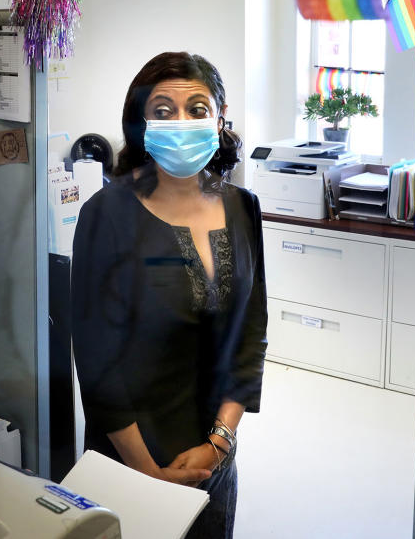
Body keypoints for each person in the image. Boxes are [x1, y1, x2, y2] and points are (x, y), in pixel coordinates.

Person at [72, 52, 268, 538]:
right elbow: (98, 364)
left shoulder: (243, 208)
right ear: (141, 124)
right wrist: (149, 473)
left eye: (197, 109)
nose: (181, 122)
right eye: (163, 110)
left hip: (214, 458)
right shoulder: (107, 214)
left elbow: (251, 331)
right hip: (128, 462)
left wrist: (221, 441)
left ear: (219, 119)